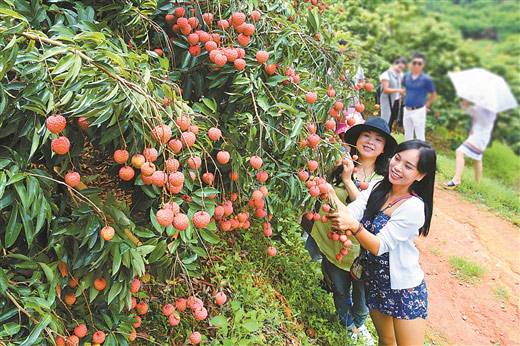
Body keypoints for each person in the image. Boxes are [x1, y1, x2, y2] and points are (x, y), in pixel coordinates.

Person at [328, 139, 436, 346]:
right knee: (386, 341)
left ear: (421, 175)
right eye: (397, 158)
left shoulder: (413, 207)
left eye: (408, 166)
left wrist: (354, 226)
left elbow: (379, 246)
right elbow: (355, 209)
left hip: (404, 289)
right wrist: (331, 194)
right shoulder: (379, 187)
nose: (397, 167)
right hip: (375, 281)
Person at [307, 117, 397, 344]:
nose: (370, 142)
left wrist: (348, 181)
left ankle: (358, 323)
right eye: (366, 135)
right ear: (356, 139)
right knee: (339, 289)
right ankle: (347, 325)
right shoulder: (339, 164)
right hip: (332, 241)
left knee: (363, 297)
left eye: (378, 139)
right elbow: (320, 190)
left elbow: (369, 212)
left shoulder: (384, 180)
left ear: (384, 148)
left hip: (361, 251)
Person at [446, 100, 497, 187]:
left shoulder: (491, 108)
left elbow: (483, 120)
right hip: (478, 135)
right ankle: (477, 184)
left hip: (480, 137)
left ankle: (457, 179)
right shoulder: (482, 104)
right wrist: (464, 105)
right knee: (477, 159)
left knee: (460, 151)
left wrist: (473, 109)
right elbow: (471, 112)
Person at [402, 53, 437, 141]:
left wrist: (427, 106)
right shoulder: (406, 76)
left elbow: (433, 94)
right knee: (407, 134)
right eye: (414, 62)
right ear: (411, 63)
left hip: (419, 110)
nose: (416, 65)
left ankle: (421, 153)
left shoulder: (426, 79)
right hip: (407, 109)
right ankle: (408, 152)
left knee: (420, 136)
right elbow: (404, 88)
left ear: (423, 65)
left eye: (419, 63)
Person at [379, 57, 407, 131]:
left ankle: (388, 136)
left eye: (402, 68)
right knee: (385, 120)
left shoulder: (400, 74)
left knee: (392, 120)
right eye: (399, 67)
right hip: (387, 100)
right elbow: (385, 90)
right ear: (395, 64)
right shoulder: (386, 74)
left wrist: (401, 94)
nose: (400, 69)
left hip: (396, 101)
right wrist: (399, 90)